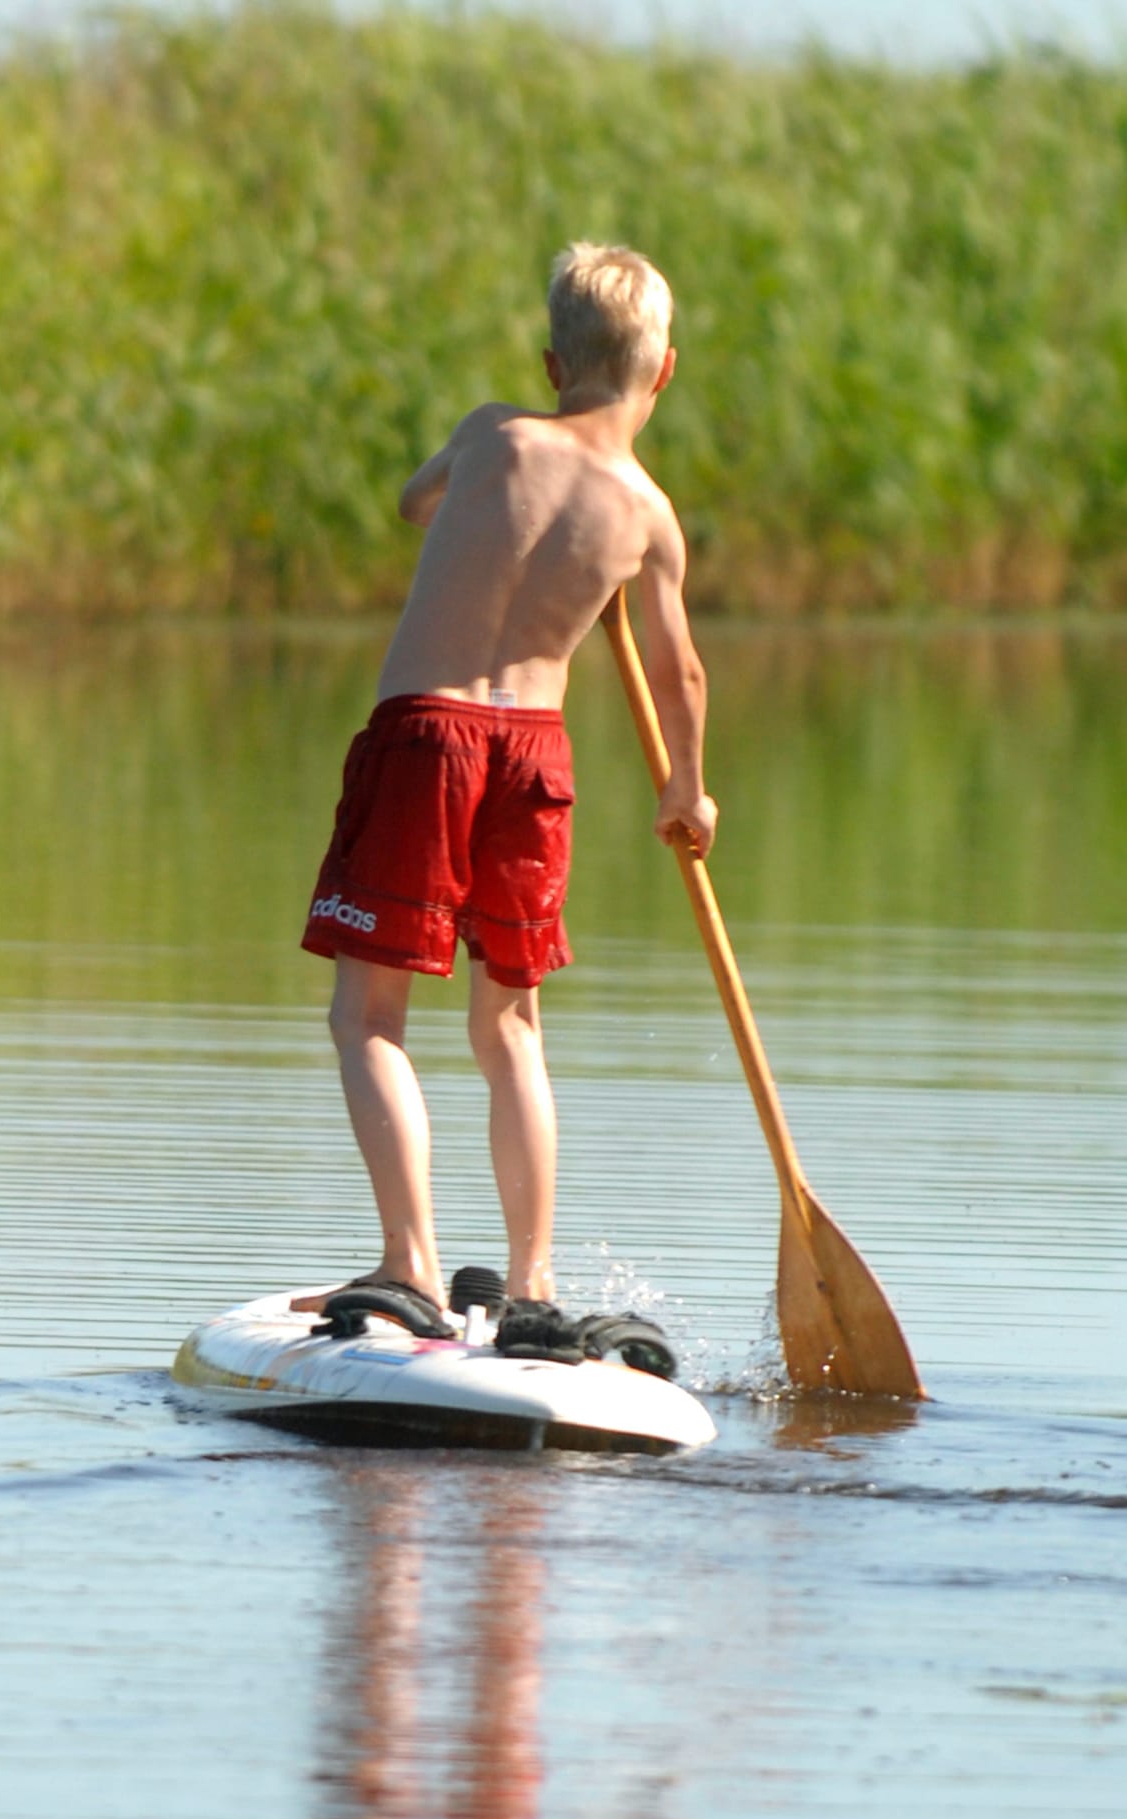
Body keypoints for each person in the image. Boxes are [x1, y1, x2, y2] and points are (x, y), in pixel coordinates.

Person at [297, 242, 717, 1330]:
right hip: (533, 753)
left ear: (549, 363)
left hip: (427, 736)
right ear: (663, 372)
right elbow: (682, 673)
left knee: (370, 1019)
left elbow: (411, 504)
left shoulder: (491, 435)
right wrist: (687, 791)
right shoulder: (647, 517)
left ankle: (411, 1266)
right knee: (510, 1028)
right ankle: (533, 1288)